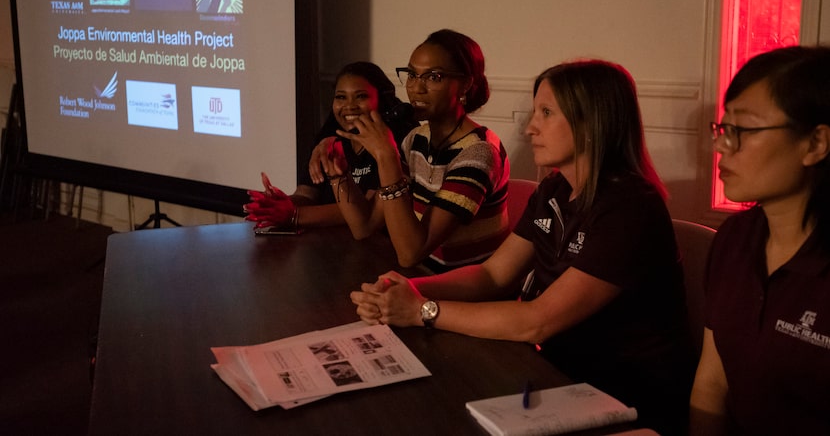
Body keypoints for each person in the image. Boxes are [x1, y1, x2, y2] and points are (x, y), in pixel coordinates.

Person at [350, 60, 695, 435]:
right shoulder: (555, 188)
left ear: (591, 122)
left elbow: (538, 321)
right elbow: (494, 274)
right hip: (558, 378)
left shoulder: (629, 207)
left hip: (624, 399)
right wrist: (410, 289)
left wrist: (423, 311)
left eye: (546, 113)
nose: (531, 127)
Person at [689, 46, 830, 435]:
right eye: (723, 129)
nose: (720, 146)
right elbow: (712, 384)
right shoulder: (736, 237)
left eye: (743, 130)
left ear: (816, 143)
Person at [313, 29, 510, 272]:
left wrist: (386, 157)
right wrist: (337, 174)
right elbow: (363, 226)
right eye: (412, 75)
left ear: (466, 84)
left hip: (467, 296)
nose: (416, 88)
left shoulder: (480, 153)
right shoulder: (416, 139)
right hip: (422, 282)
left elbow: (410, 253)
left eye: (434, 77)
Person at [243, 61, 417, 231]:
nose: (349, 106)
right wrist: (277, 205)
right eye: (341, 97)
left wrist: (294, 215)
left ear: (382, 100)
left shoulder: (391, 145)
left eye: (361, 96)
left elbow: (367, 211)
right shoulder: (329, 142)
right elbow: (306, 195)